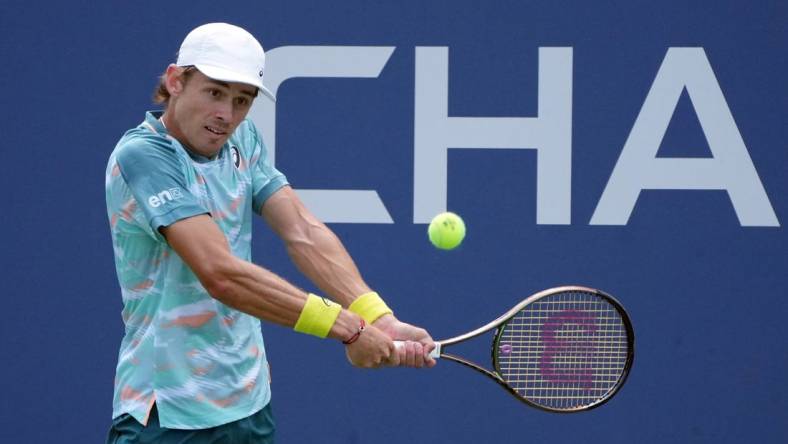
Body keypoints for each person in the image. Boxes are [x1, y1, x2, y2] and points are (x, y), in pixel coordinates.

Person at [104, 22, 435, 443]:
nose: (227, 114)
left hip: (249, 406)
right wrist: (348, 328)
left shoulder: (244, 139)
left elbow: (302, 231)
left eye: (242, 100)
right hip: (167, 414)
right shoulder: (145, 156)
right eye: (214, 92)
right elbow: (221, 274)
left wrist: (377, 316)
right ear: (175, 81)